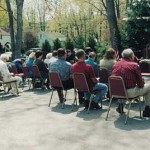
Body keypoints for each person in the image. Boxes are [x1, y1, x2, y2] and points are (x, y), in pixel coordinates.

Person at [111, 48, 150, 117]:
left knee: (122, 86)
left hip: (116, 93)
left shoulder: (115, 64)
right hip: (130, 93)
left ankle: (120, 105)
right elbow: (141, 85)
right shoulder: (134, 65)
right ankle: (147, 110)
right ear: (131, 56)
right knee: (148, 88)